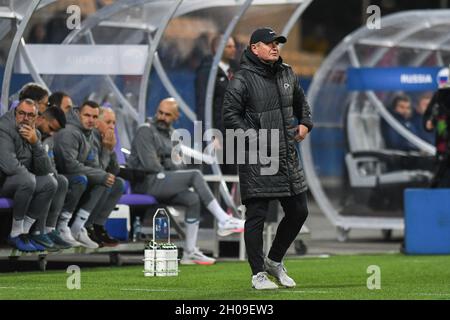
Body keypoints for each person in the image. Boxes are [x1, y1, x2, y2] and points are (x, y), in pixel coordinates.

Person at [223, 27, 313, 290]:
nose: (275, 47)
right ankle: (257, 274)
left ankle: (274, 260)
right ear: (254, 48)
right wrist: (254, 138)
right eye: (269, 43)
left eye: (278, 43)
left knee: (299, 211)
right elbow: (229, 116)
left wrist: (306, 122)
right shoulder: (241, 79)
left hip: (286, 156)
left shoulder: (287, 72)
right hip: (257, 156)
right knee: (257, 216)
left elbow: (301, 102)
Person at [127, 97, 245, 265]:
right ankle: (224, 220)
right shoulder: (145, 131)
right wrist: (168, 163)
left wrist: (167, 162)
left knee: (192, 199)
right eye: (160, 112)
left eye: (167, 114)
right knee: (195, 175)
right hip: (145, 183)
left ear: (176, 117)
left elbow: (178, 167)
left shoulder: (173, 135)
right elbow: (151, 165)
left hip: (162, 183)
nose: (162, 117)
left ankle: (190, 252)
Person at [53, 101, 116, 249]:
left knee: (109, 181)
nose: (91, 120)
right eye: (87, 115)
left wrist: (108, 149)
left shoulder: (89, 134)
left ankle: (81, 226)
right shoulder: (69, 132)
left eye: (94, 116)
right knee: (86, 179)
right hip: (61, 176)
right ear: (78, 114)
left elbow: (100, 168)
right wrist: (101, 175)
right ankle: (62, 226)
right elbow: (69, 165)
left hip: (75, 177)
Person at [0, 99, 57, 251]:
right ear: (15, 112)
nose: (25, 118)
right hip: (3, 181)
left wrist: (35, 143)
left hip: (21, 182)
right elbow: (9, 166)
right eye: (21, 113)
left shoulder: (35, 133)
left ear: (36, 117)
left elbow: (45, 170)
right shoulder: (3, 128)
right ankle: (15, 234)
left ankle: (24, 232)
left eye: (30, 115)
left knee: (50, 183)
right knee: (28, 180)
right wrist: (30, 179)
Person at [195, 35, 238, 175]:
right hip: (217, 132)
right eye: (229, 46)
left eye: (234, 46)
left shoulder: (236, 71)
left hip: (234, 134)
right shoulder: (207, 72)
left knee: (232, 176)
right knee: (214, 175)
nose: (233, 49)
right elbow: (202, 106)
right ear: (217, 49)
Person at [32, 106, 73, 250]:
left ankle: (50, 229)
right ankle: (37, 231)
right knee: (50, 182)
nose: (51, 132)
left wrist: (52, 172)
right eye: (50, 127)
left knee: (61, 181)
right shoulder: (29, 132)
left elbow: (51, 162)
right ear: (41, 118)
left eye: (55, 131)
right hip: (28, 177)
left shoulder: (49, 138)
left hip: (42, 175)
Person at [84, 107, 124, 247]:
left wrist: (111, 149)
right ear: (97, 123)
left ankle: (98, 225)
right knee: (105, 179)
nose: (112, 126)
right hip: (83, 179)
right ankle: (86, 226)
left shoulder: (106, 138)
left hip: (97, 179)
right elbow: (98, 170)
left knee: (118, 183)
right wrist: (107, 150)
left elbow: (115, 170)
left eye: (114, 123)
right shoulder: (90, 138)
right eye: (108, 122)